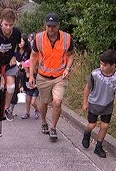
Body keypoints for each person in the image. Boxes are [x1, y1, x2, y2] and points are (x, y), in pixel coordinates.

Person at [29, 13, 75, 141]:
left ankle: (53, 128)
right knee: (43, 103)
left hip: (59, 77)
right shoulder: (38, 38)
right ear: (45, 25)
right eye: (48, 26)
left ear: (58, 25)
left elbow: (71, 55)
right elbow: (33, 56)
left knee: (57, 102)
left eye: (53, 26)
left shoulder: (66, 38)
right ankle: (44, 121)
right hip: (43, 77)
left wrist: (67, 68)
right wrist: (31, 76)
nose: (51, 29)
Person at [81, 49, 116, 158]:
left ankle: (98, 146)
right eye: (101, 64)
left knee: (105, 126)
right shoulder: (95, 74)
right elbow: (88, 88)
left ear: (113, 65)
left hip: (107, 105)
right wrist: (85, 102)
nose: (101, 66)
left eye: (105, 65)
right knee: (92, 125)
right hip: (94, 103)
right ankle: (87, 134)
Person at [9, 34, 31, 114]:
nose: (20, 43)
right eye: (19, 41)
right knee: (15, 90)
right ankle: (10, 109)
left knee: (29, 91)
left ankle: (33, 110)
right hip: (16, 73)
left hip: (26, 73)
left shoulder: (28, 51)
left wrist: (25, 65)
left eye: (22, 41)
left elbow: (32, 60)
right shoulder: (15, 51)